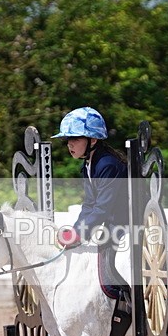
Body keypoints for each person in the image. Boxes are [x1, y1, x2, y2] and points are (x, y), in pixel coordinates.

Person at [52, 107, 128, 249]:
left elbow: (102, 208)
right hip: (112, 225)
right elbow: (89, 204)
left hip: (131, 229)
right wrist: (76, 231)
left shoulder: (108, 165)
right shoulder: (88, 164)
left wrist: (80, 234)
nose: (69, 144)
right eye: (68, 139)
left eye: (75, 138)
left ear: (93, 140)